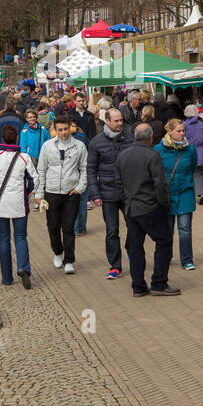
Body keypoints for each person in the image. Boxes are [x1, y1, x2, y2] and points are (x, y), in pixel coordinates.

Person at [115, 124, 180, 296]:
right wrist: (164, 204)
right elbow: (160, 184)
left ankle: (138, 285)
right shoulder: (152, 155)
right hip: (150, 207)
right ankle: (159, 283)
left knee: (135, 246)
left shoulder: (123, 155)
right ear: (150, 137)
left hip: (131, 208)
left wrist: (127, 199)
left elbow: (118, 182)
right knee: (164, 242)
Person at [32, 116, 88, 275]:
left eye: (66, 129)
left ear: (71, 128)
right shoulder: (48, 146)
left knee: (69, 228)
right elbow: (41, 170)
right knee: (53, 226)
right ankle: (57, 252)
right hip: (52, 191)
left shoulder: (79, 146)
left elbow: (84, 168)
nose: (63, 132)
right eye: (60, 130)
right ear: (55, 130)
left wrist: (80, 187)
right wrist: (39, 192)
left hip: (71, 192)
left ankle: (69, 260)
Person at [0, 124, 38, 288]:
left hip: (1, 203)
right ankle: (23, 268)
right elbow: (33, 180)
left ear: (2, 138)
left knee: (4, 239)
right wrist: (27, 193)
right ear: (16, 138)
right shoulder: (24, 157)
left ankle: (7, 277)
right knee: (20, 237)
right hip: (19, 203)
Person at [88, 107, 129, 279]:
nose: (120, 123)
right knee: (112, 231)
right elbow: (91, 170)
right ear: (107, 121)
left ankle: (133, 255)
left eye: (121, 120)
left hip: (128, 193)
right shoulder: (97, 142)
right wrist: (95, 194)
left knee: (134, 228)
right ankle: (115, 265)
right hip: (107, 193)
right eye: (117, 121)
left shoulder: (130, 138)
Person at [156, 118, 198, 270]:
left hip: (185, 192)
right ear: (170, 132)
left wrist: (187, 182)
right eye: (178, 131)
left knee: (185, 229)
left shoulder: (190, 149)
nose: (182, 134)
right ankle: (166, 257)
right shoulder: (159, 150)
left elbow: (193, 167)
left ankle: (187, 259)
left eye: (183, 131)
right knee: (167, 230)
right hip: (167, 195)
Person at [183, 104, 203, 205]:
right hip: (202, 153)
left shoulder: (185, 125)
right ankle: (202, 194)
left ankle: (191, 194)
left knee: (189, 174)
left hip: (189, 152)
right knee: (198, 174)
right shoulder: (202, 125)